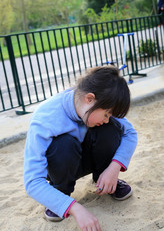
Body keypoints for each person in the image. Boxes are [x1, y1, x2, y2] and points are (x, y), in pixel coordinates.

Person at [24, 65, 137, 231]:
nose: (107, 118)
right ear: (89, 99)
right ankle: (61, 194)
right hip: (61, 163)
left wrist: (114, 167)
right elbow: (32, 181)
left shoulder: (99, 107)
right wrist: (74, 208)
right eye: (106, 114)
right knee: (64, 144)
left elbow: (130, 134)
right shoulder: (44, 118)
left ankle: (104, 181)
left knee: (110, 128)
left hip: (90, 158)